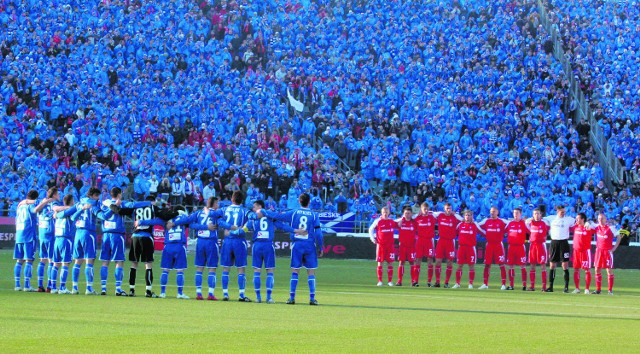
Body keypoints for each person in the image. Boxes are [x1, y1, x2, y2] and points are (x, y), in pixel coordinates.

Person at [263, 193, 323, 305]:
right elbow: (319, 233)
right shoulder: (314, 215)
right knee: (311, 272)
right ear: (309, 202)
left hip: (297, 245)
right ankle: (312, 299)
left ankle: (291, 298)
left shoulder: (294, 212)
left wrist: (265, 212)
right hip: (310, 245)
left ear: (299, 201)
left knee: (295, 271)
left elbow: (278, 216)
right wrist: (321, 247)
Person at [108, 196, 173, 297]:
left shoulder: (135, 207)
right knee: (148, 264)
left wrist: (111, 205)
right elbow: (164, 216)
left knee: (134, 264)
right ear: (152, 201)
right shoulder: (152, 208)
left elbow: (120, 211)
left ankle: (131, 290)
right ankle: (148, 291)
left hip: (135, 237)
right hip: (147, 237)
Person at [243, 200, 302, 303]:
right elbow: (282, 226)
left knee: (257, 271)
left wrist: (233, 231)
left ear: (260, 206)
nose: (253, 209)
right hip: (268, 246)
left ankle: (258, 297)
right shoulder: (270, 216)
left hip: (257, 246)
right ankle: (269, 298)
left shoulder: (253, 218)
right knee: (270, 271)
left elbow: (245, 229)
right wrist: (295, 230)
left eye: (254, 206)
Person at [170, 197, 228, 300]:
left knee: (199, 268)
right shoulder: (216, 214)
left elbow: (189, 222)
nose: (218, 205)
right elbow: (221, 222)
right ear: (214, 204)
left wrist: (174, 223)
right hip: (211, 242)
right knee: (212, 268)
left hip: (200, 242)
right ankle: (210, 294)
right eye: (217, 203)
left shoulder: (198, 213)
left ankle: (199, 293)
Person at [99, 187, 150, 296]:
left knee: (105, 262)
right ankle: (118, 289)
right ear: (119, 194)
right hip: (117, 235)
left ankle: (103, 288)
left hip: (106, 235)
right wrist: (150, 202)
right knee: (119, 261)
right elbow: (134, 205)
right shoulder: (122, 203)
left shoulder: (104, 203)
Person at [137, 206, 189, 299]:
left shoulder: (166, 219)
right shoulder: (184, 218)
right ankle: (180, 293)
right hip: (179, 246)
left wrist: (141, 222)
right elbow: (190, 220)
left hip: (168, 246)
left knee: (165, 270)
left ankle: (163, 293)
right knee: (180, 271)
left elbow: (153, 221)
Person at [14, 190, 53, 291]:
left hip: (19, 234)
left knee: (19, 261)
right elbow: (35, 210)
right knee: (29, 260)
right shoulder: (30, 206)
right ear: (35, 198)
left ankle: (17, 285)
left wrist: (25, 201)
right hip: (28, 235)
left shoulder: (20, 206)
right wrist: (45, 202)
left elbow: (23, 203)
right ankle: (27, 285)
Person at [71, 187, 105, 295]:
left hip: (78, 233)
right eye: (96, 196)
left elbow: (72, 218)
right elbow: (101, 216)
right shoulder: (94, 205)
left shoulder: (80, 203)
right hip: (88, 233)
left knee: (77, 261)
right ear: (91, 195)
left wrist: (81, 209)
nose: (97, 198)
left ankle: (74, 287)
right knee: (89, 260)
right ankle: (89, 288)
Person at [220, 191, 253, 302]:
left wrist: (228, 228)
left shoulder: (225, 209)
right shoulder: (244, 211)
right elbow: (250, 222)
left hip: (228, 241)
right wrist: (241, 229)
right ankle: (241, 295)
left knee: (226, 268)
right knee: (241, 269)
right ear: (242, 200)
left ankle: (225, 294)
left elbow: (219, 220)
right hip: (239, 241)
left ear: (232, 199)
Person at [51, 194, 87, 294]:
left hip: (57, 239)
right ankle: (62, 287)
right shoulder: (70, 210)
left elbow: (56, 214)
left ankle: (53, 287)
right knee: (65, 263)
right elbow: (72, 217)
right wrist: (81, 208)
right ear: (71, 201)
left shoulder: (59, 210)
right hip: (66, 239)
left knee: (56, 263)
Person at [36, 187, 66, 292]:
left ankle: (40, 285)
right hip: (51, 234)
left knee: (42, 260)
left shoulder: (42, 202)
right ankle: (49, 285)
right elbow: (56, 209)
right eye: (58, 194)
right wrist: (69, 207)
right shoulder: (54, 203)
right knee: (51, 261)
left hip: (41, 234)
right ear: (54, 195)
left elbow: (36, 210)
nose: (59, 196)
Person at [542, 205, 575, 293]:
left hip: (564, 243)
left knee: (565, 265)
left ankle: (566, 287)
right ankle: (550, 287)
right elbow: (539, 218)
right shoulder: (551, 218)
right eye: (561, 212)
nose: (563, 213)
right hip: (554, 243)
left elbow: (578, 221)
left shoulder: (569, 219)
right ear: (557, 211)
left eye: (564, 212)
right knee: (552, 265)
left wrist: (587, 222)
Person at [452, 210, 484, 289]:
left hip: (471, 248)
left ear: (472, 216)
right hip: (461, 248)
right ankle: (457, 283)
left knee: (471, 266)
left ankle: (470, 284)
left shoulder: (474, 225)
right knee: (459, 265)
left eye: (469, 215)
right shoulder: (460, 225)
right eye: (466, 215)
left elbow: (483, 232)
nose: (467, 216)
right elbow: (454, 233)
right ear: (464, 216)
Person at [477, 207, 507, 290]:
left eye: (494, 211)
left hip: (498, 245)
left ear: (497, 212)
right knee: (487, 264)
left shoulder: (502, 221)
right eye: (491, 212)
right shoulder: (487, 221)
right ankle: (485, 284)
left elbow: (510, 224)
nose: (492, 213)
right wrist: (484, 234)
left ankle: (503, 284)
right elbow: (477, 225)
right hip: (489, 245)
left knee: (501, 264)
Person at [433, 203, 462, 288]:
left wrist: (455, 213)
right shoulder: (440, 215)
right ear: (444, 208)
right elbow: (430, 213)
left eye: (450, 208)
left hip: (450, 242)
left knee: (449, 262)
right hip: (441, 241)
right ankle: (437, 282)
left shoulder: (454, 217)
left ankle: (446, 282)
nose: (448, 210)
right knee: (438, 261)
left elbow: (463, 220)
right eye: (447, 208)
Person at [368, 206, 398, 287]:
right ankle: (380, 281)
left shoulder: (391, 221)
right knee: (380, 263)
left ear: (389, 213)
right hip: (381, 245)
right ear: (381, 213)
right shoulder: (378, 221)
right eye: (384, 212)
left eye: (386, 212)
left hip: (390, 246)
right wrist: (372, 238)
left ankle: (390, 281)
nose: (385, 214)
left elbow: (399, 223)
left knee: (390, 263)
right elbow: (370, 229)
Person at [593, 213, 620, 295]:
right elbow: (588, 224)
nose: (600, 220)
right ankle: (598, 290)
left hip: (607, 252)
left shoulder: (611, 228)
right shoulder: (597, 227)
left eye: (602, 218)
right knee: (597, 269)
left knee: (609, 270)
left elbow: (619, 236)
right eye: (599, 218)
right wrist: (587, 223)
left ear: (606, 219)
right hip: (599, 251)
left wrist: (614, 248)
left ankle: (610, 290)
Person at [505, 208, 529, 291]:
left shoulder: (523, 223)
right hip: (511, 247)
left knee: (522, 266)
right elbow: (503, 231)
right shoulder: (510, 223)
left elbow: (530, 232)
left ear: (520, 214)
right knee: (511, 266)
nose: (515, 214)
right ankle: (511, 285)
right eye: (514, 213)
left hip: (520, 247)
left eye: (517, 213)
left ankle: (524, 285)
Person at [526, 208, 550, 291]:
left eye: (538, 213)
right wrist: (531, 218)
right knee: (532, 266)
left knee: (543, 266)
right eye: (535, 214)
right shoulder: (530, 223)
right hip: (533, 246)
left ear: (541, 215)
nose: (536, 215)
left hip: (541, 246)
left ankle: (544, 287)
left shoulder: (544, 223)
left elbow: (549, 227)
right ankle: (532, 286)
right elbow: (525, 222)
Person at [570, 213, 594, 294]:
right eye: (576, 219)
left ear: (583, 219)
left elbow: (596, 228)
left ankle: (587, 289)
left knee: (587, 270)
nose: (577, 220)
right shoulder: (575, 227)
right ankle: (577, 288)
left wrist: (589, 223)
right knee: (576, 269)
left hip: (585, 252)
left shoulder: (588, 227)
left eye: (578, 218)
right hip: (576, 251)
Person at [414, 203, 437, 287]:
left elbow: (442, 213)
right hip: (420, 240)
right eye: (424, 209)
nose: (426, 211)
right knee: (418, 260)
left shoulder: (432, 216)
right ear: (421, 209)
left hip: (429, 241)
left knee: (430, 260)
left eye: (427, 209)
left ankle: (429, 282)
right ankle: (415, 281)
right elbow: (407, 217)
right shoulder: (417, 217)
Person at [395, 206, 418, 286]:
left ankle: (413, 281)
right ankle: (399, 281)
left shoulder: (414, 223)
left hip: (411, 246)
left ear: (411, 214)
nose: (407, 215)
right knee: (401, 262)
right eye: (405, 213)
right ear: (403, 214)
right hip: (402, 246)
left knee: (412, 262)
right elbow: (390, 223)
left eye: (408, 213)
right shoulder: (400, 221)